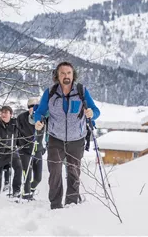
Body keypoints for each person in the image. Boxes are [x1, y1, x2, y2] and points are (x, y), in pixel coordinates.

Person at [34, 61, 100, 209]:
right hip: (55, 139)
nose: (66, 76)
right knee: (55, 172)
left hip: (77, 140)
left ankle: (71, 205)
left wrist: (91, 113)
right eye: (63, 73)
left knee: (73, 173)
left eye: (69, 73)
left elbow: (96, 111)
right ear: (57, 75)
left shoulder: (81, 91)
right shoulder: (50, 92)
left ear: (73, 75)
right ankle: (56, 205)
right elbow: (39, 112)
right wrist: (38, 121)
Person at [16, 97, 47, 200]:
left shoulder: (42, 117)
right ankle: (26, 196)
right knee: (27, 175)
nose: (33, 108)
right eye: (31, 106)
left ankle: (31, 191)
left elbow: (46, 133)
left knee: (38, 178)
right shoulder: (21, 118)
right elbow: (18, 132)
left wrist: (44, 146)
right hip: (25, 150)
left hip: (37, 149)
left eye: (35, 106)